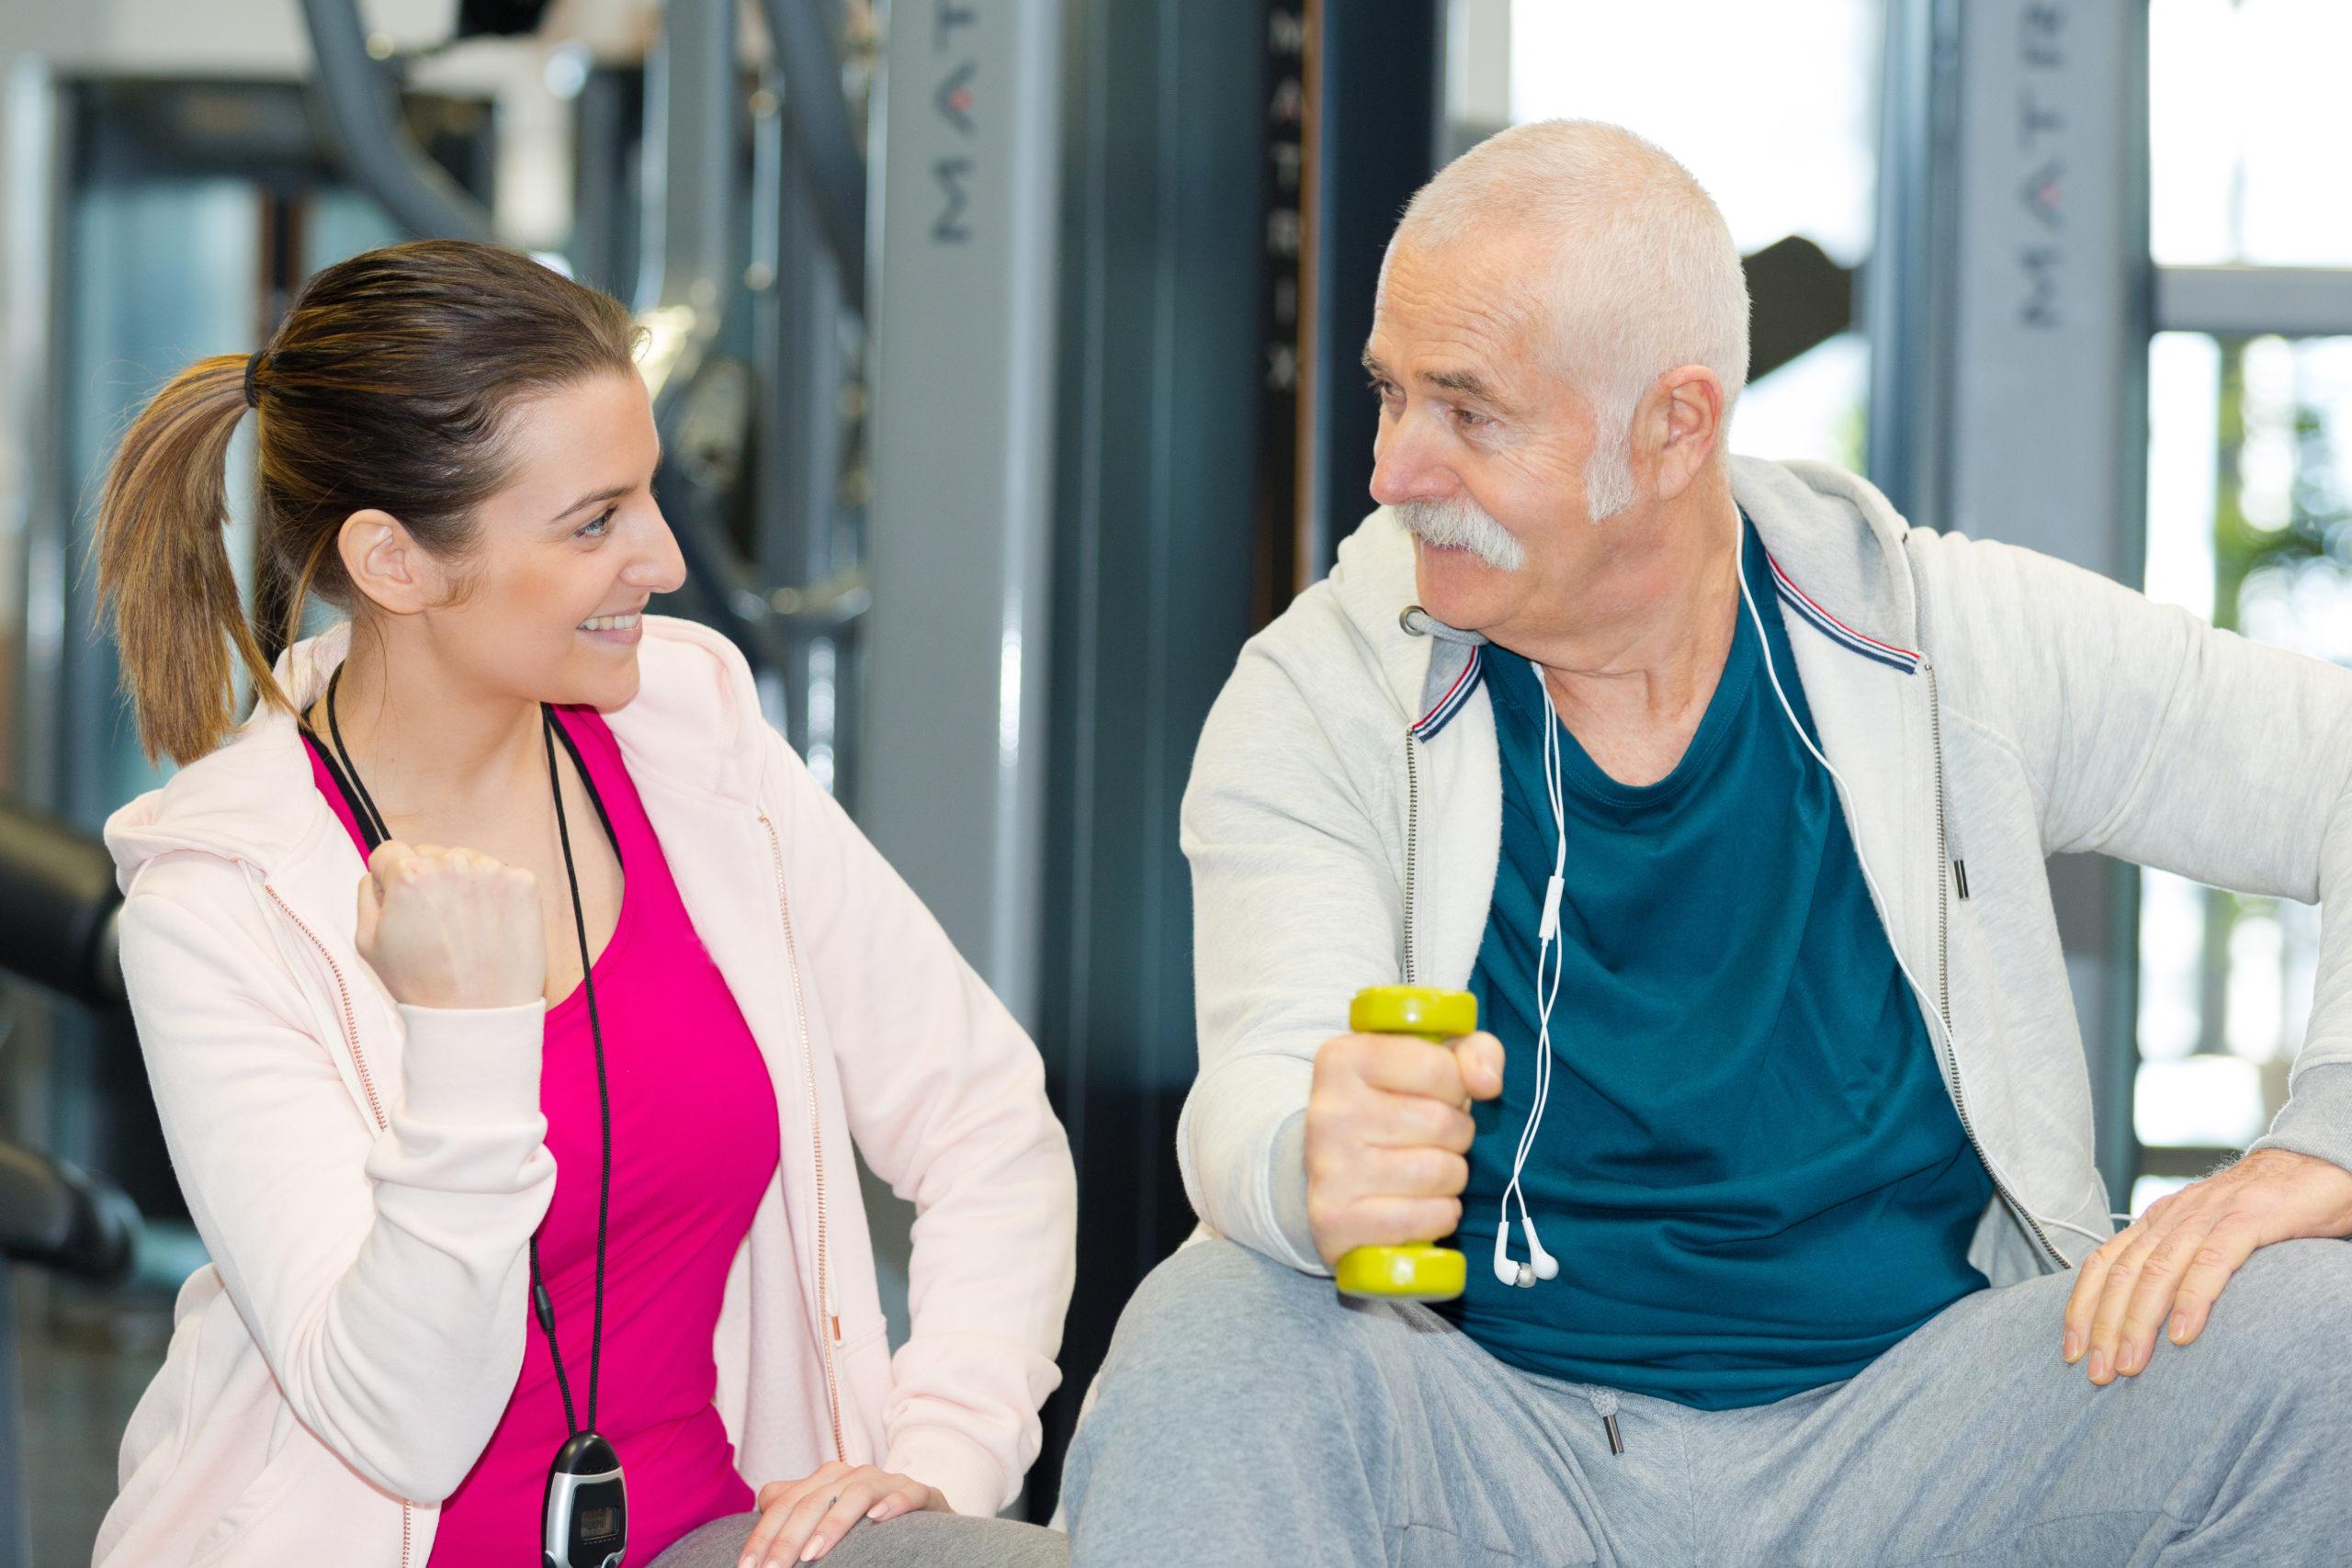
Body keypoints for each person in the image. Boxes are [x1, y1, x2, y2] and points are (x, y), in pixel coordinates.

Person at [1058, 120, 2352, 1566]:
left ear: (1676, 428)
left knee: (2320, 1333)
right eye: (1390, 395)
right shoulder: (1322, 693)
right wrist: (1306, 1164)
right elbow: (1252, 1084)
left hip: (1923, 1443)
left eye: (1468, 414)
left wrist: (2329, 1135)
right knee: (1211, 1328)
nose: (1393, 470)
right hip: (1496, 1445)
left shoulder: (1951, 642)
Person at [90, 240, 1075, 1568]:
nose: (663, 559)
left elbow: (982, 1122)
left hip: (712, 1539)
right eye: (594, 521)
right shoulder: (219, 897)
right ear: (395, 563)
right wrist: (469, 1036)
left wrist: (935, 1463)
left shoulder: (692, 728)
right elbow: (405, 1425)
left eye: (649, 497)